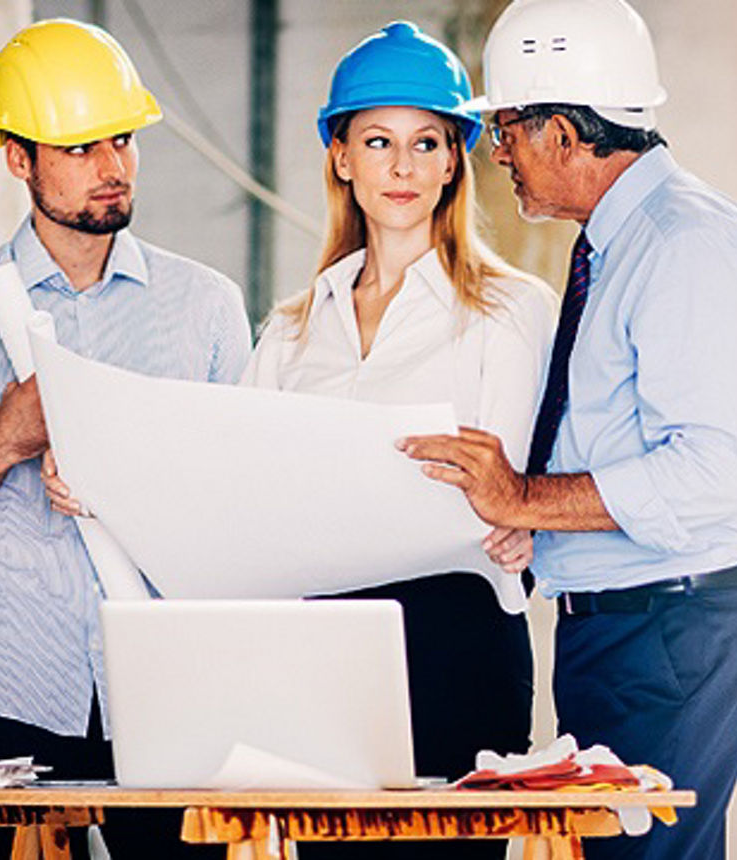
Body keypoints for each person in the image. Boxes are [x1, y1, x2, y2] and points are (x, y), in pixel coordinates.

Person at [48, 22, 554, 859]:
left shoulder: (508, 311)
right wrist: (98, 488)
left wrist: (521, 515)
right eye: (379, 141)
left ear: (454, 159)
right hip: (316, 647)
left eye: (426, 142)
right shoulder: (289, 331)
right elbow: (227, 496)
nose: (402, 167)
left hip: (455, 642)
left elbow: (511, 492)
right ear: (341, 158)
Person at [399, 1, 737, 857]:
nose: (496, 155)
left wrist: (525, 494)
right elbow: (616, 437)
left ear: (565, 134)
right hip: (627, 627)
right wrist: (530, 523)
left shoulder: (683, 245)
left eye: (506, 130)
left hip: (670, 628)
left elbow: (705, 472)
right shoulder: (619, 246)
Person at [0, 18, 249, 859]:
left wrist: (136, 482)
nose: (111, 168)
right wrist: (3, 442)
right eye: (78, 149)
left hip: (171, 694)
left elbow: (244, 517)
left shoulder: (206, 307)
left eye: (121, 139)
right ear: (17, 157)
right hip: (7, 695)